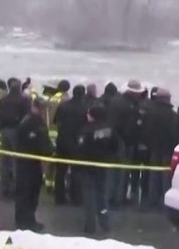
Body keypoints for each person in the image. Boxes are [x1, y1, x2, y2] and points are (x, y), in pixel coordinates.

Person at [76, 103, 117, 235]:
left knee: (89, 197)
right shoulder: (109, 128)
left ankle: (90, 226)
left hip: (87, 167)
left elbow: (81, 149)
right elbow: (115, 146)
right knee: (102, 195)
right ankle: (105, 223)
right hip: (102, 165)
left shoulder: (86, 130)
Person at [14, 95, 53, 232]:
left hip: (27, 161)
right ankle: (27, 222)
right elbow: (39, 142)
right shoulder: (34, 122)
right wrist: (49, 150)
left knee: (26, 192)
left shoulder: (27, 119)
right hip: (29, 162)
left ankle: (23, 219)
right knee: (29, 192)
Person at [106, 80, 145, 207]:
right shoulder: (129, 106)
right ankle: (118, 199)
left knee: (112, 171)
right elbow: (128, 126)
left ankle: (110, 196)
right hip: (123, 141)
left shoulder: (115, 100)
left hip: (111, 139)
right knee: (122, 172)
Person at [53, 85, 90, 206]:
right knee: (76, 171)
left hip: (62, 140)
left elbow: (55, 121)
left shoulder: (63, 105)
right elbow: (87, 125)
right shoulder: (85, 108)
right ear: (83, 93)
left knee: (60, 171)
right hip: (76, 143)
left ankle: (59, 197)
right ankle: (76, 198)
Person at [143, 89, 178, 209]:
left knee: (153, 174)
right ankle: (165, 200)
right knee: (166, 176)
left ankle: (152, 199)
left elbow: (146, 130)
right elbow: (175, 133)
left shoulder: (150, 112)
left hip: (154, 147)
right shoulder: (172, 114)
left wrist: (148, 143)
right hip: (168, 148)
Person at [0, 77, 27, 198]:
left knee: (5, 161)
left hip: (4, 131)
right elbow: (27, 117)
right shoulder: (24, 100)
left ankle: (4, 188)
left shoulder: (3, 100)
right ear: (19, 88)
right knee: (16, 161)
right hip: (17, 132)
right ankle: (16, 189)